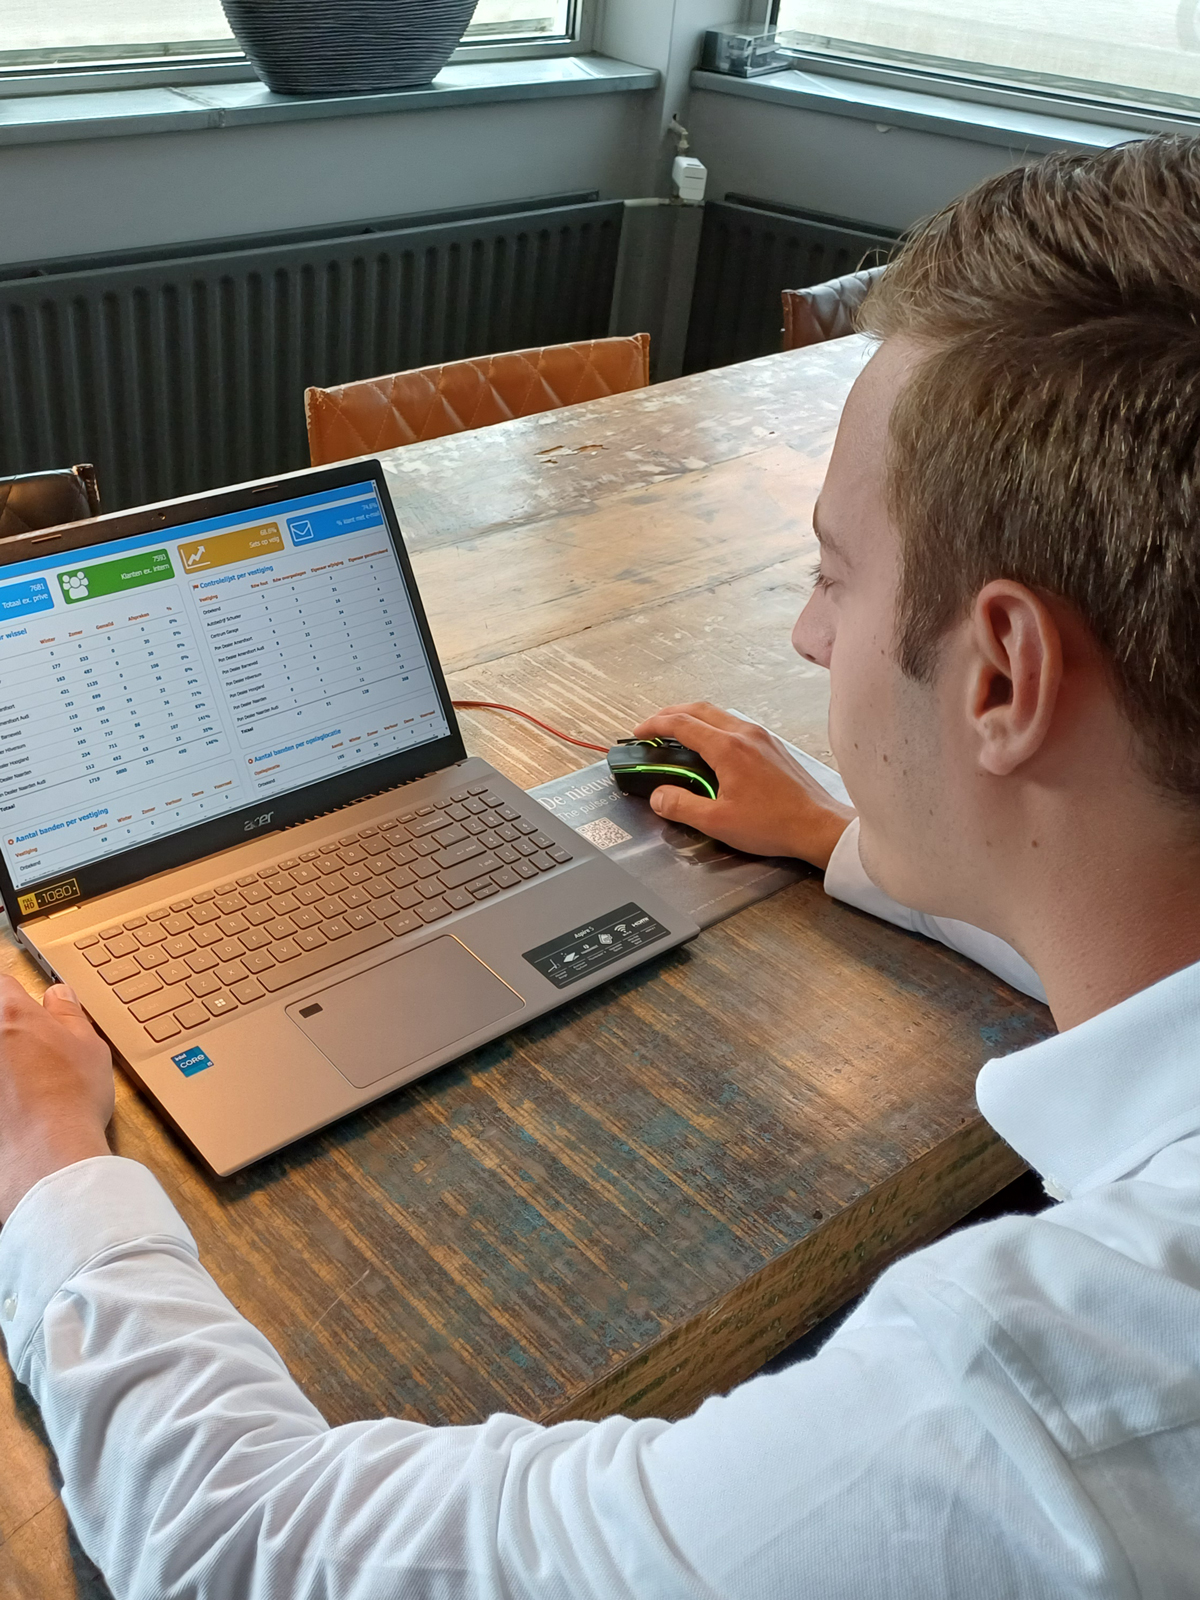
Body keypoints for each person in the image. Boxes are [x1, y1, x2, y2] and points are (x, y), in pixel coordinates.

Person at [4, 131, 1200, 1598]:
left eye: (834, 574)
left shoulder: (1008, 1415)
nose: (810, 636)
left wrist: (52, 1170)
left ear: (1002, 677)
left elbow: (251, 1547)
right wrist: (838, 832)